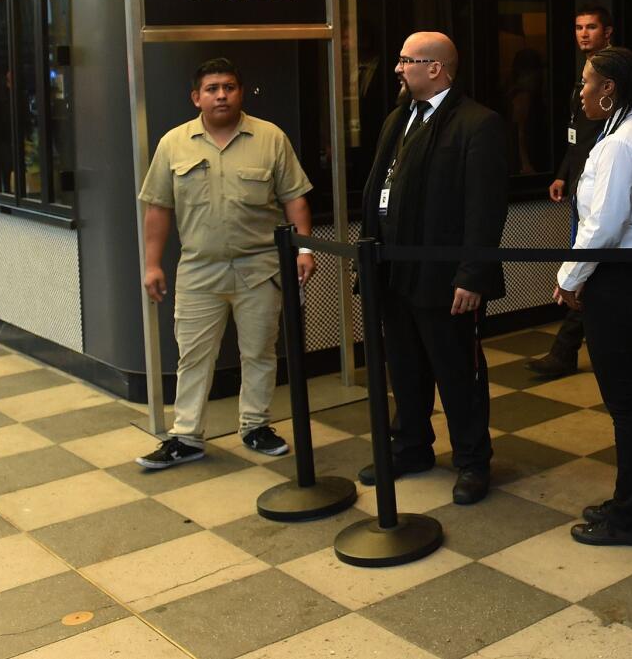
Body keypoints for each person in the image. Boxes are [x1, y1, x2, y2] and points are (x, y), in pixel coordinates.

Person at [136, 58, 315, 469]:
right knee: (194, 357)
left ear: (240, 92)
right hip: (199, 271)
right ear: (196, 97)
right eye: (212, 88)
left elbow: (294, 199)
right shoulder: (173, 144)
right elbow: (158, 209)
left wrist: (305, 250)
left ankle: (255, 426)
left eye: (229, 87)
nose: (221, 94)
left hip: (260, 270)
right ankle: (186, 436)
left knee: (260, 352)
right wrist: (152, 264)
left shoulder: (270, 138)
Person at [359, 31, 508, 506]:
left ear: (436, 69)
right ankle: (411, 446)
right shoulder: (398, 118)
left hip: (444, 280)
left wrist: (472, 275)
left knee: (457, 372)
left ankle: (471, 460)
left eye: (407, 61)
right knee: (403, 366)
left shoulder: (476, 123)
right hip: (395, 272)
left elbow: (484, 210)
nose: (398, 69)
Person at [554, 47, 632, 546]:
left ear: (609, 88)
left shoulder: (623, 142)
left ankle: (630, 517)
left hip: (621, 278)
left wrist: (569, 278)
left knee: (626, 403)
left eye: (586, 82)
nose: (580, 92)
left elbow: (603, 226)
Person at [527, 7, 611, 379]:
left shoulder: (610, 77)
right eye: (578, 27)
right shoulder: (581, 78)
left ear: (607, 32)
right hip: (579, 184)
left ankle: (565, 349)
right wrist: (562, 174)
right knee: (590, 263)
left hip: (600, 186)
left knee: (585, 264)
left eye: (590, 27)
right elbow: (574, 136)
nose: (583, 34)